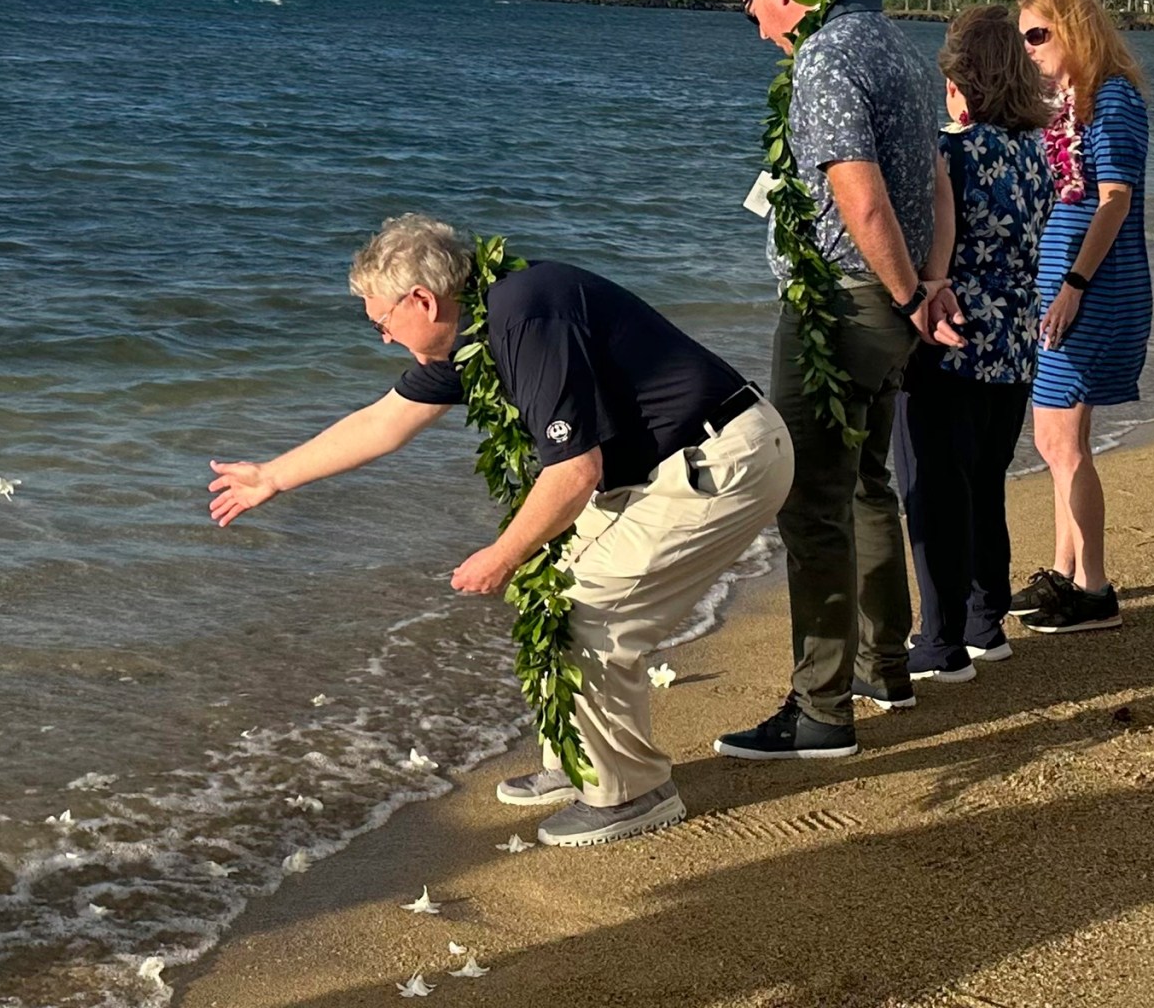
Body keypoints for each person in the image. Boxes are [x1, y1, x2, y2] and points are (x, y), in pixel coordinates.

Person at [206, 215, 793, 847]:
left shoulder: (527, 315)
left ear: (423, 300)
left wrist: (502, 553)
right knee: (547, 595)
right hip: (660, 468)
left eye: (381, 322)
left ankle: (632, 795)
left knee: (585, 611)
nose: (381, 337)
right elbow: (386, 421)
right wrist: (272, 476)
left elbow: (573, 470)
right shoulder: (474, 326)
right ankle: (580, 762)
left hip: (720, 459)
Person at [714, 0, 950, 765]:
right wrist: (931, 284)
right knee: (866, 483)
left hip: (841, 310)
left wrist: (905, 290)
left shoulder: (824, 58)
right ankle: (886, 665)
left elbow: (862, 197)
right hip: (889, 302)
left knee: (810, 500)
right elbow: (934, 180)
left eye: (753, 11)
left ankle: (821, 709)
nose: (760, 32)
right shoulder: (892, 44)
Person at [900, 7, 1055, 680]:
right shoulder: (1035, 155)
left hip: (952, 339)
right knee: (984, 481)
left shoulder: (954, 155)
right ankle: (983, 620)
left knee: (934, 485)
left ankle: (939, 640)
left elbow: (921, 240)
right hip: (1014, 343)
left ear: (963, 83)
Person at [1010, 0, 1149, 633]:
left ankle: (1093, 588)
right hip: (1064, 288)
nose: (1029, 50)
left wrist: (1074, 285)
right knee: (1056, 437)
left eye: (1038, 36)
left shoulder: (1109, 100)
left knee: (1061, 440)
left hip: (1091, 289)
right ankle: (1064, 572)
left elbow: (1114, 199)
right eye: (1023, 40)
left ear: (1072, 29)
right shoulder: (1065, 102)